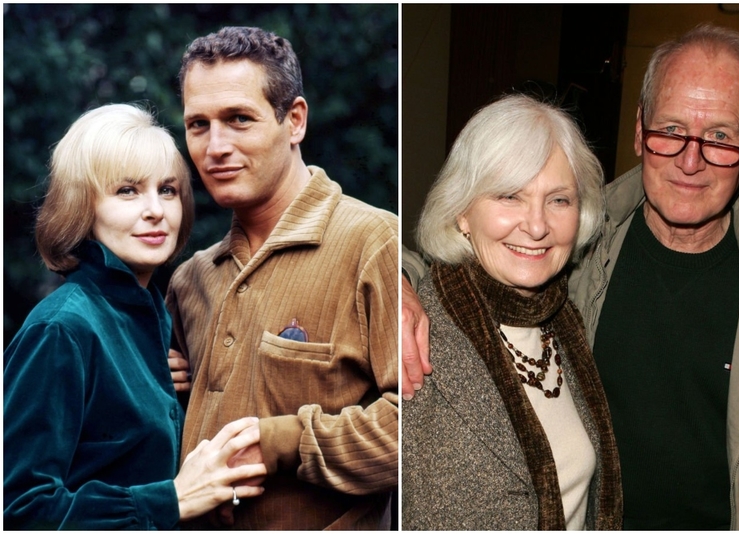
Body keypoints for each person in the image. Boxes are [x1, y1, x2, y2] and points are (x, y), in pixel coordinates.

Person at [402, 23, 739, 530]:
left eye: (719, 136)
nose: (691, 160)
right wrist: (395, 279)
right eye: (671, 130)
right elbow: (460, 260)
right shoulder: (582, 242)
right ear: (639, 130)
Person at [165, 27, 399, 529]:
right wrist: (151, 390)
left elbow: (427, 430)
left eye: (239, 120)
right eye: (198, 125)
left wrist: (286, 441)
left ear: (294, 121)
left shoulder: (372, 241)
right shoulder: (189, 279)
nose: (215, 147)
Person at [3, 104, 268, 530]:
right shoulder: (62, 329)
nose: (155, 210)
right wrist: (173, 499)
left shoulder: (154, 317)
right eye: (127, 191)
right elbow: (19, 512)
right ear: (82, 207)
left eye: (167, 190)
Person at [402, 94, 622, 530]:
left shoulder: (567, 323)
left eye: (559, 200)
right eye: (509, 196)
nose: (537, 225)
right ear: (462, 211)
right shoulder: (413, 337)